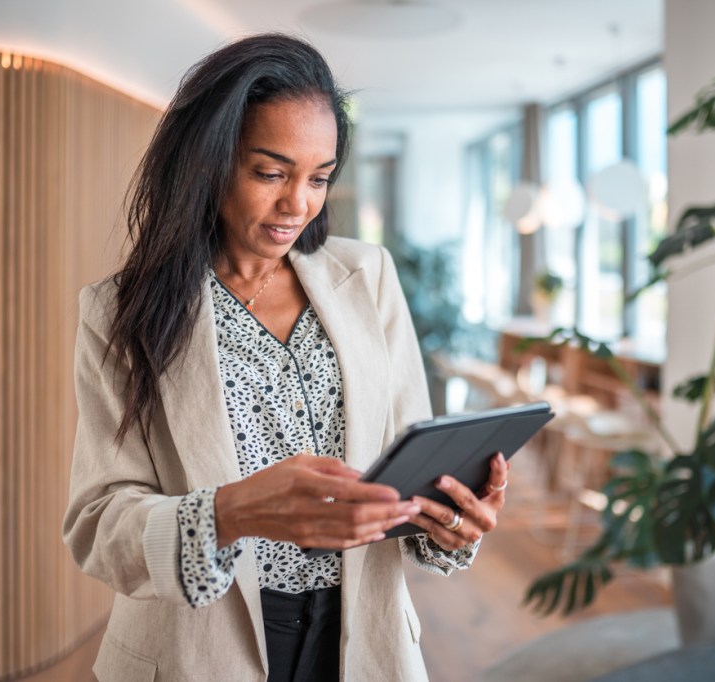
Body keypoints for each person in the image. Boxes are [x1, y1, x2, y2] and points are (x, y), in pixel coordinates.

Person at [63, 33, 510, 682]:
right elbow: (96, 525)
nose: (298, 203)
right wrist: (232, 511)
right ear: (209, 164)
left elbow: (413, 454)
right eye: (270, 172)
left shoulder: (369, 276)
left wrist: (451, 520)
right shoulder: (118, 312)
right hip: (198, 650)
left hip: (361, 637)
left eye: (319, 178)